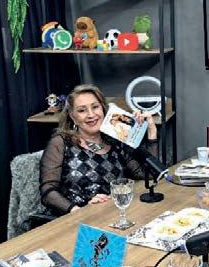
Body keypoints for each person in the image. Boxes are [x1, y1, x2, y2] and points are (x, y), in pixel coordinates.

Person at [39, 84, 158, 216]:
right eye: (82, 110)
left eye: (95, 107)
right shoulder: (60, 142)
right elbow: (48, 192)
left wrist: (151, 131)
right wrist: (79, 211)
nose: (91, 115)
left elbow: (148, 175)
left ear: (103, 109)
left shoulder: (115, 142)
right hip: (74, 219)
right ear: (73, 116)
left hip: (111, 216)